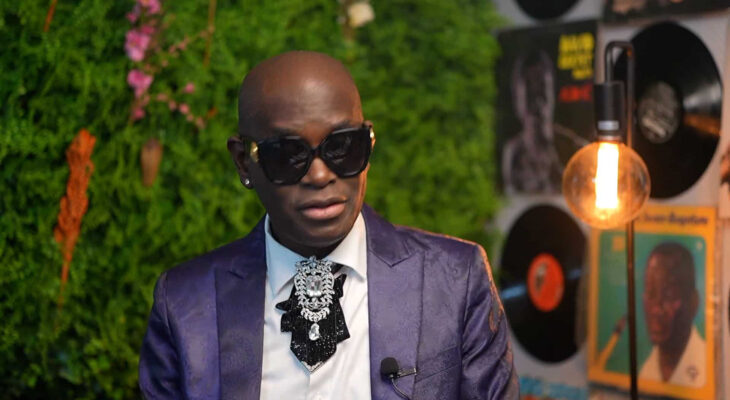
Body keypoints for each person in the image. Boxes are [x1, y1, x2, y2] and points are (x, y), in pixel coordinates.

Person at [138, 51, 518, 399]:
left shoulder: (455, 280)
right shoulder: (185, 305)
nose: (320, 175)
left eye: (343, 147)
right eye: (288, 154)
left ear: (369, 143)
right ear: (243, 161)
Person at [639, 242, 705, 387]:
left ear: (693, 303)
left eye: (669, 295)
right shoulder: (645, 372)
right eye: (651, 293)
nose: (656, 309)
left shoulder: (707, 366)